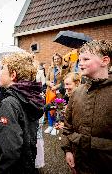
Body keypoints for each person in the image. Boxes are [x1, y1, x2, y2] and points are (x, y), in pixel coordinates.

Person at [61, 40, 112, 174]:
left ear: (105, 61)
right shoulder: (77, 92)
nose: (80, 63)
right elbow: (67, 127)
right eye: (79, 59)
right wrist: (68, 151)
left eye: (86, 59)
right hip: (80, 164)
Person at [0, 52, 44, 173]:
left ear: (13, 75)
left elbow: (10, 150)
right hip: (26, 165)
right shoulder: (31, 97)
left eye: (2, 69)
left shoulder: (9, 103)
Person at [44, 53, 64, 135]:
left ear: (61, 59)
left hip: (59, 92)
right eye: (55, 59)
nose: (56, 60)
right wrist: (50, 84)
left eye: (58, 59)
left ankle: (56, 126)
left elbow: (64, 81)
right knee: (50, 108)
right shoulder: (50, 68)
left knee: (58, 108)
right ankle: (50, 125)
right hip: (50, 92)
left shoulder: (64, 69)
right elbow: (46, 80)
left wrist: (57, 86)